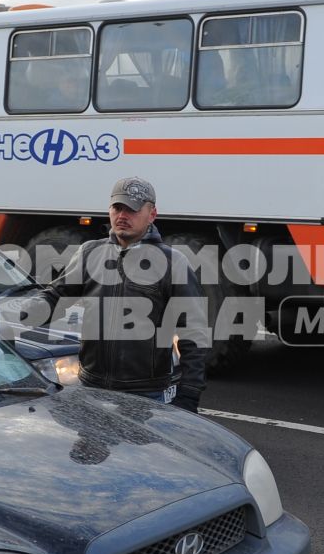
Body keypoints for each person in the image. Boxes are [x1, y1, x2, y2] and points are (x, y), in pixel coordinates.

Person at [32, 176, 210, 412]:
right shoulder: (89, 253)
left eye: (132, 210)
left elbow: (194, 332)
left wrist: (190, 393)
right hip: (90, 388)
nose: (122, 216)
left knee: (141, 451)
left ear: (152, 214)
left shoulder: (173, 263)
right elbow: (55, 296)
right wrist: (22, 313)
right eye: (117, 208)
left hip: (145, 397)